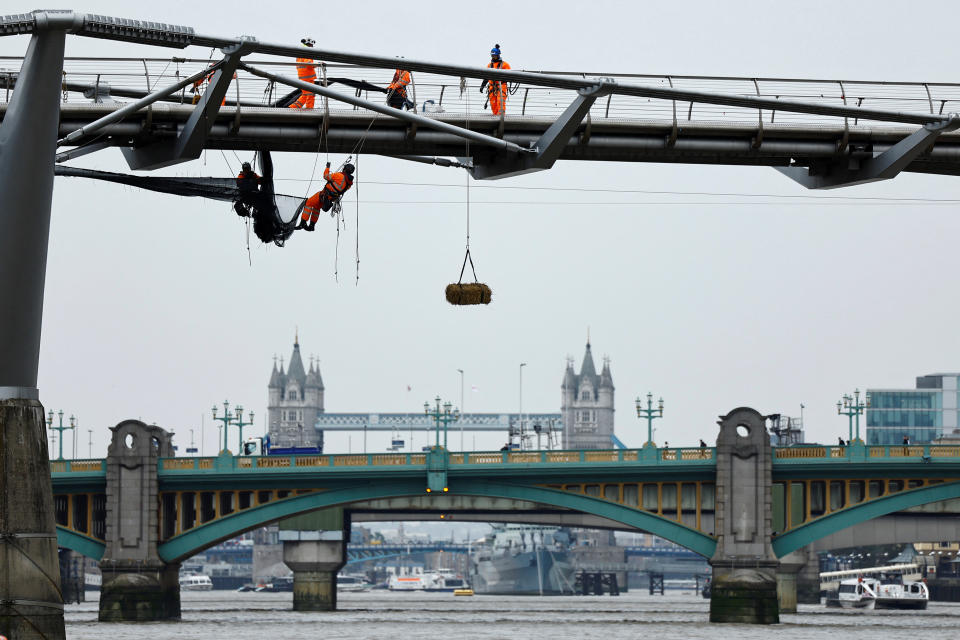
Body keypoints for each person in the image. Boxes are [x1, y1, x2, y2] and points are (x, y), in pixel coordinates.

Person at [297, 161, 355, 231]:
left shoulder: (339, 175)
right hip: (330, 199)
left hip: (324, 195)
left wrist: (327, 167)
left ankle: (302, 223)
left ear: (345, 169)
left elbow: (325, 176)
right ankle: (312, 225)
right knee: (316, 207)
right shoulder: (349, 184)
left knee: (308, 203)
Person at [480, 44, 511, 115]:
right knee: (493, 104)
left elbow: (510, 76)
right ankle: (496, 117)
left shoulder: (505, 65)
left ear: (498, 55)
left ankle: (501, 118)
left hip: (501, 86)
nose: (493, 57)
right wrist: (482, 86)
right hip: (492, 88)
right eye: (492, 56)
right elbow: (486, 77)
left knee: (500, 102)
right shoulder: (489, 65)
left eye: (495, 55)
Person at [289, 37, 317, 109]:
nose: (312, 47)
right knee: (311, 94)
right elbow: (309, 64)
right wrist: (318, 65)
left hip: (302, 78)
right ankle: (310, 110)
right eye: (312, 45)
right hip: (308, 78)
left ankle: (292, 108)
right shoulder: (307, 52)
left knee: (305, 95)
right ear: (309, 45)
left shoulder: (300, 53)